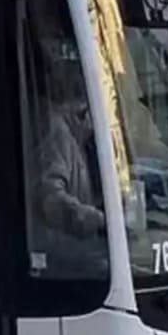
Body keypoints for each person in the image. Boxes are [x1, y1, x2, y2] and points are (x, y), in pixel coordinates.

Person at [38, 95, 106, 237]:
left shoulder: (81, 141)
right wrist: (92, 218)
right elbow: (49, 198)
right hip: (65, 247)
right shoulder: (58, 135)